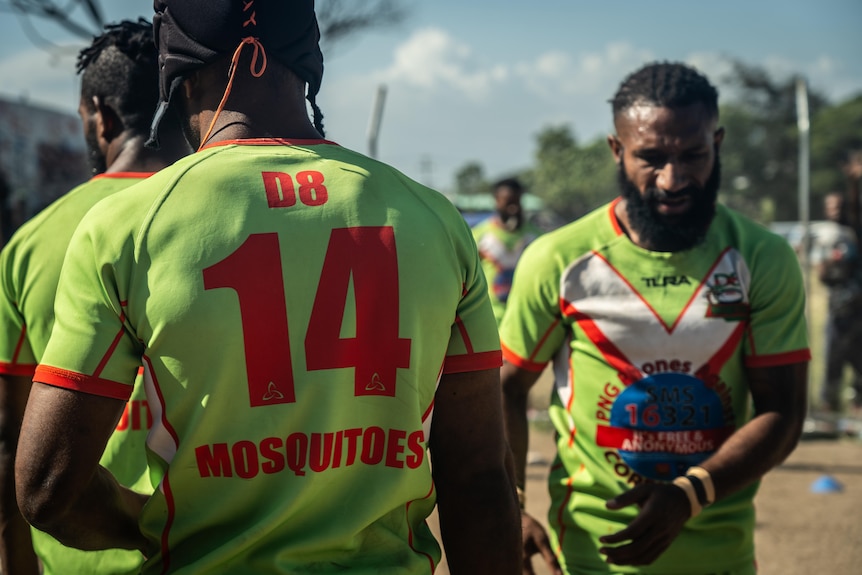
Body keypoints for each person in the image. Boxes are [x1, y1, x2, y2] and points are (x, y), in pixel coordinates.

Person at [15, 2, 521, 574]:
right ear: (308, 59)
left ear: (177, 69)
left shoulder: (128, 226)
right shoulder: (432, 217)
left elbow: (47, 489)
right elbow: (479, 477)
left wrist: (144, 525)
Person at [500, 62, 809, 574]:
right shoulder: (558, 259)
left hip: (719, 559)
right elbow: (504, 389)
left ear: (719, 141)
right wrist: (508, 506)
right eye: (650, 158)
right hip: (589, 556)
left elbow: (783, 412)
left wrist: (689, 494)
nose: (673, 179)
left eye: (693, 155)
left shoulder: (761, 257)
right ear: (616, 150)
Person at [0, 20, 189, 575]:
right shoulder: (227, 222)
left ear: (100, 115)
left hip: (82, 554)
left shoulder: (29, 246)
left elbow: (12, 437)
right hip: (211, 547)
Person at [815, 153, 862, 414]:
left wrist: (854, 183)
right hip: (838, 306)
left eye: (840, 207)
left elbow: (855, 210)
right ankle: (828, 408)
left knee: (858, 360)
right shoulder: (827, 237)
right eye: (831, 207)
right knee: (833, 357)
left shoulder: (854, 233)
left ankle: (857, 407)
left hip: (858, 306)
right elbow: (822, 274)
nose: (836, 212)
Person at [472, 177, 542, 324]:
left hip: (526, 317)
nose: (513, 208)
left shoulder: (536, 237)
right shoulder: (478, 236)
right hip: (490, 319)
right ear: (497, 201)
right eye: (508, 202)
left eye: (517, 202)